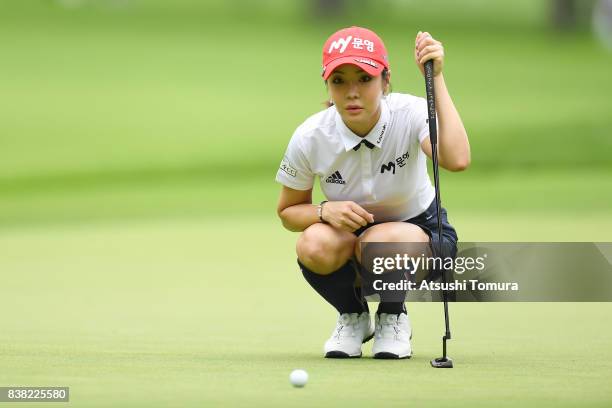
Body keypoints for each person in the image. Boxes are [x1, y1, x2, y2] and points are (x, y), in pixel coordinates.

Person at [275, 26, 470, 359]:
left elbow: (457, 159)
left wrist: (436, 77)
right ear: (327, 85)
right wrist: (324, 212)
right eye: (339, 81)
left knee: (379, 242)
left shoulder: (410, 114)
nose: (352, 92)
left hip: (421, 237)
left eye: (364, 79)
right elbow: (288, 213)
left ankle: (393, 316)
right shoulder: (311, 136)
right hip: (351, 240)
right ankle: (353, 316)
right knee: (313, 242)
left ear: (385, 79)